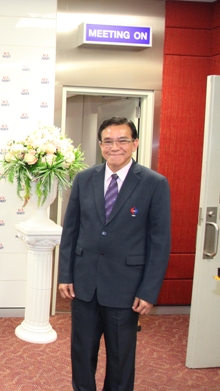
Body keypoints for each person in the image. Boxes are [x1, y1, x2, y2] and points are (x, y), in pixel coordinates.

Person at [58, 116, 171, 391]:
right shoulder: (84, 179)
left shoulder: (154, 183)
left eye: (122, 140)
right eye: (108, 141)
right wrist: (65, 275)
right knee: (81, 353)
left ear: (135, 143)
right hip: (84, 285)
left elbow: (159, 242)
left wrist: (149, 291)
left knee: (121, 359)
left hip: (126, 288)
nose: (114, 147)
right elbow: (70, 230)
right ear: (100, 145)